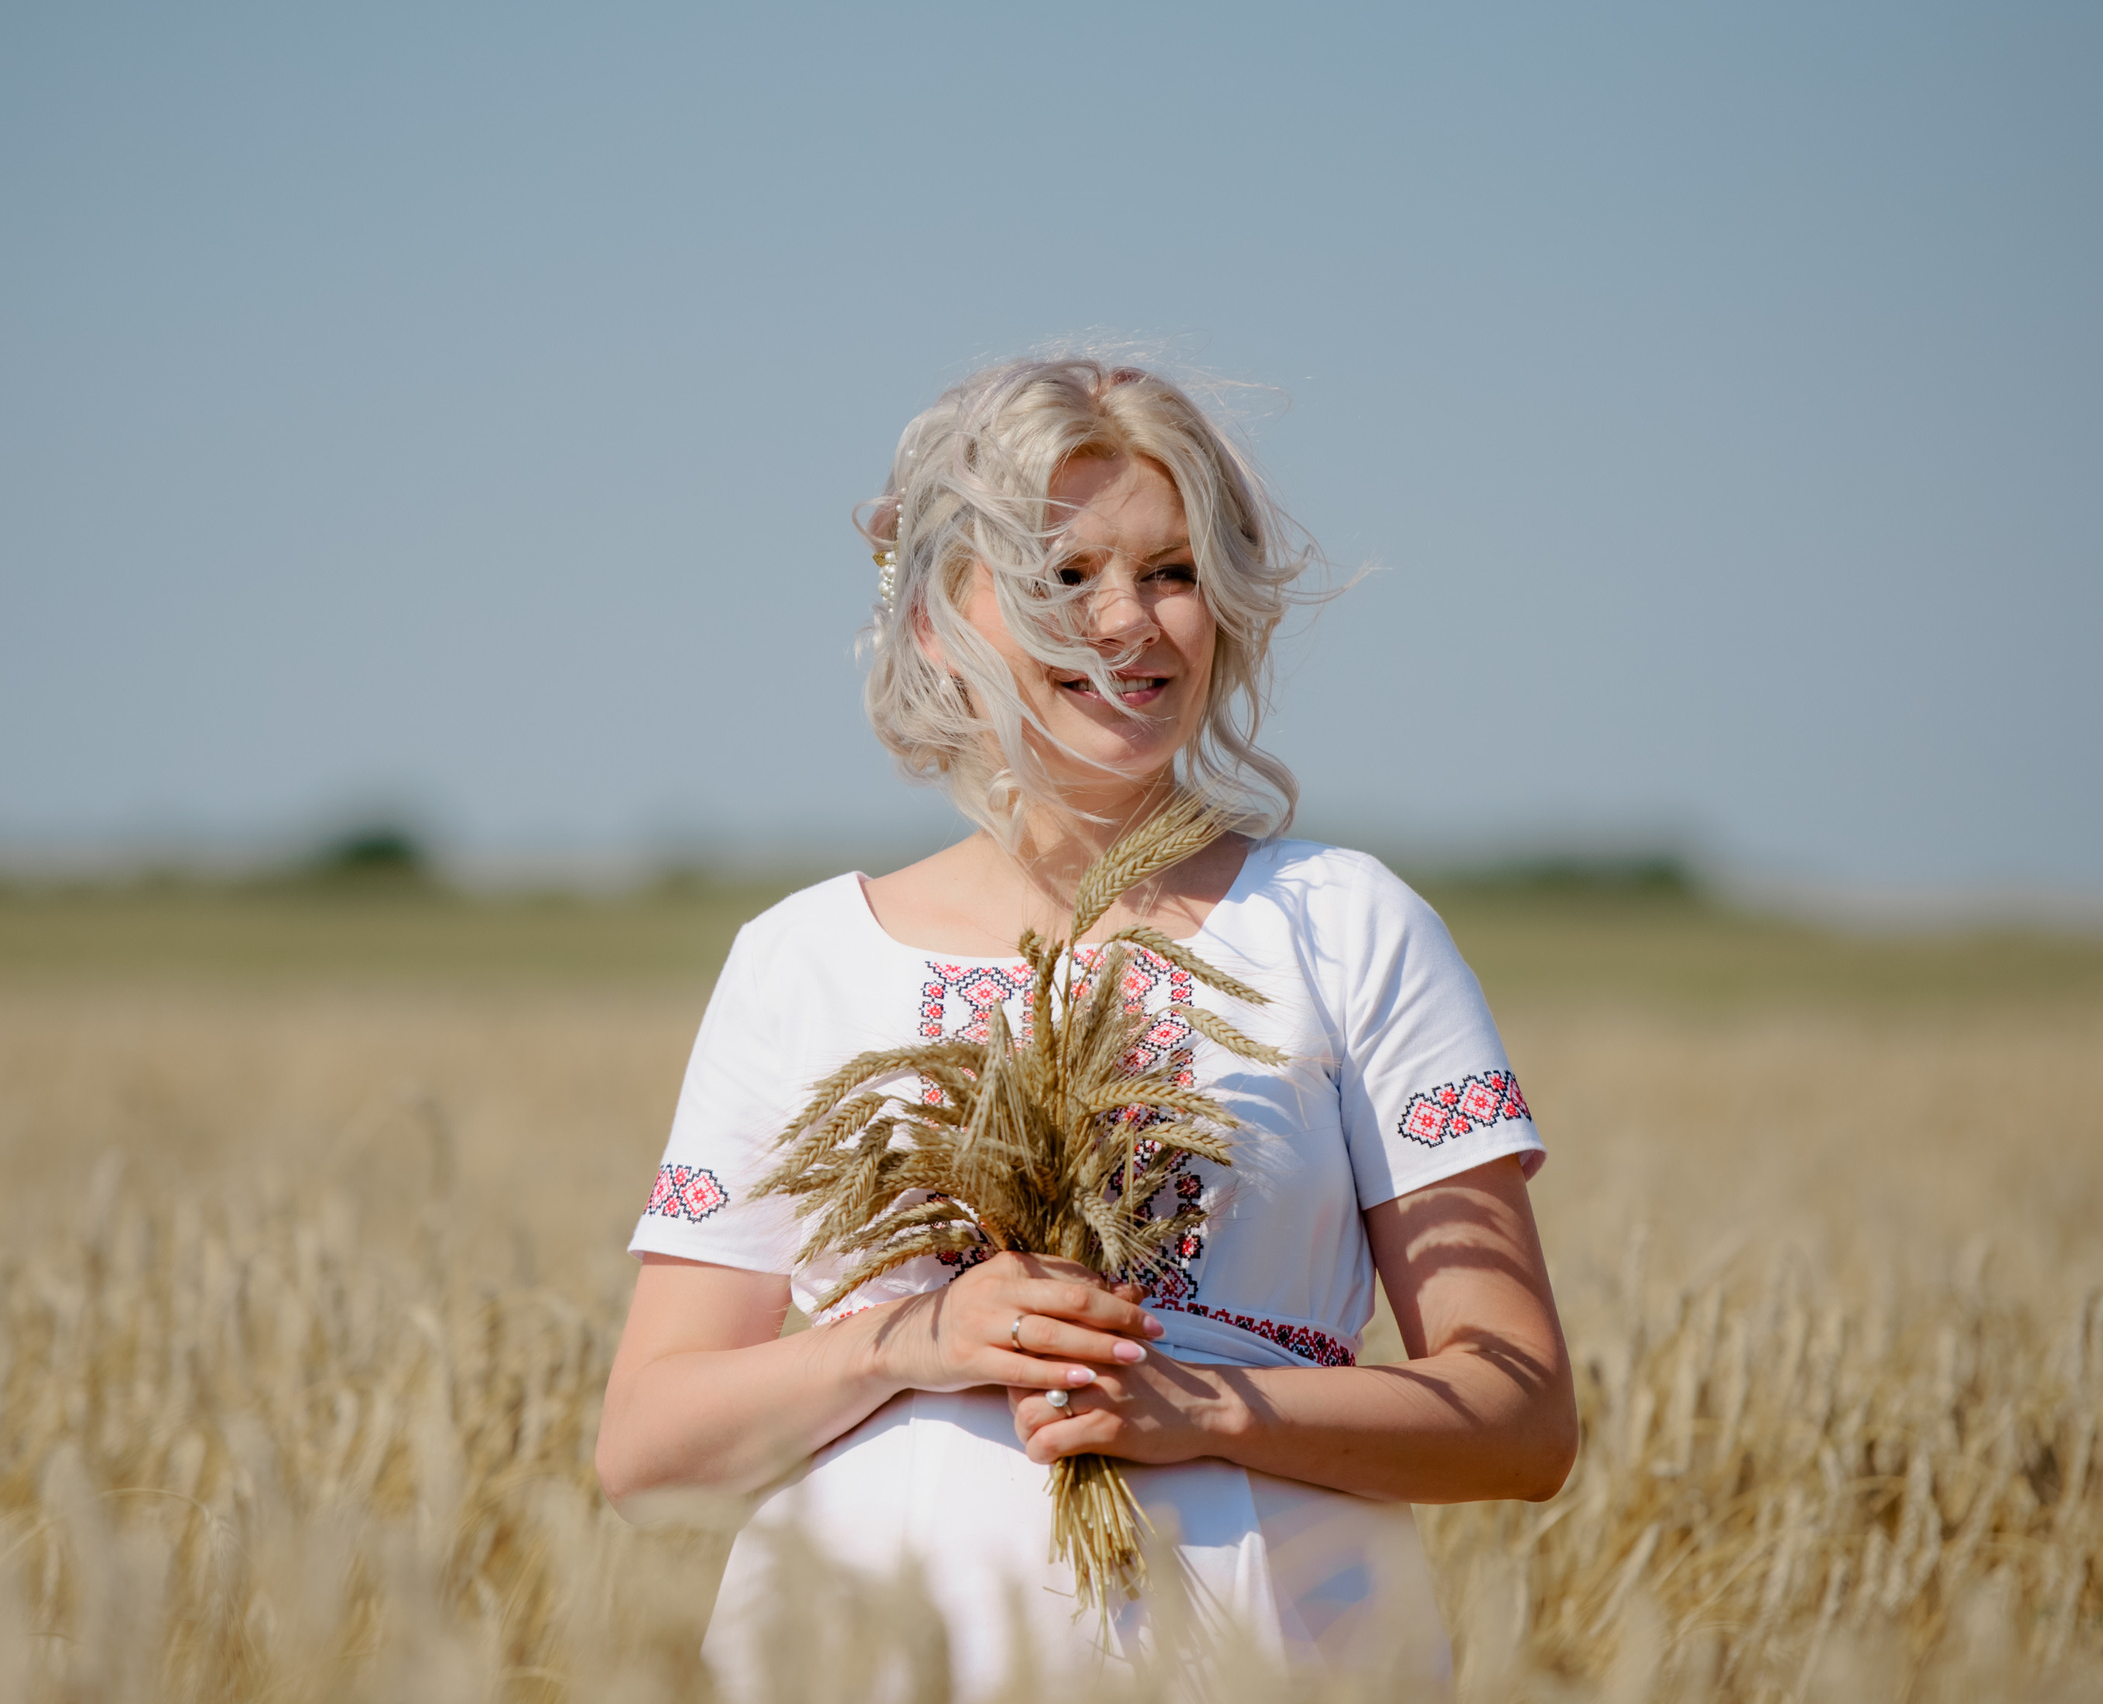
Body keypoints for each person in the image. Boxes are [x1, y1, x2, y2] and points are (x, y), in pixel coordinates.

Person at [594, 356, 1575, 1694]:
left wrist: (1197, 1410)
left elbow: (1521, 1420)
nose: (1130, 622)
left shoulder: (1348, 927)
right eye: (1064, 576)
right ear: (940, 617)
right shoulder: (801, 961)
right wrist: (917, 1342)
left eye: (1172, 572)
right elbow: (645, 1448)